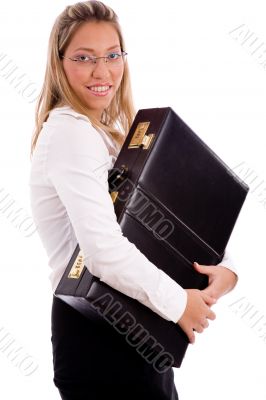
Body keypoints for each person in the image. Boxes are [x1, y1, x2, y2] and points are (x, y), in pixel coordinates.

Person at [29, 1, 238, 399]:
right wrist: (179, 303)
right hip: (98, 336)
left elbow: (161, 221)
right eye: (84, 58)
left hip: (141, 326)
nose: (102, 71)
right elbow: (103, 252)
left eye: (112, 55)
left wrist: (224, 268)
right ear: (59, 63)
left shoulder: (109, 133)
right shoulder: (70, 135)